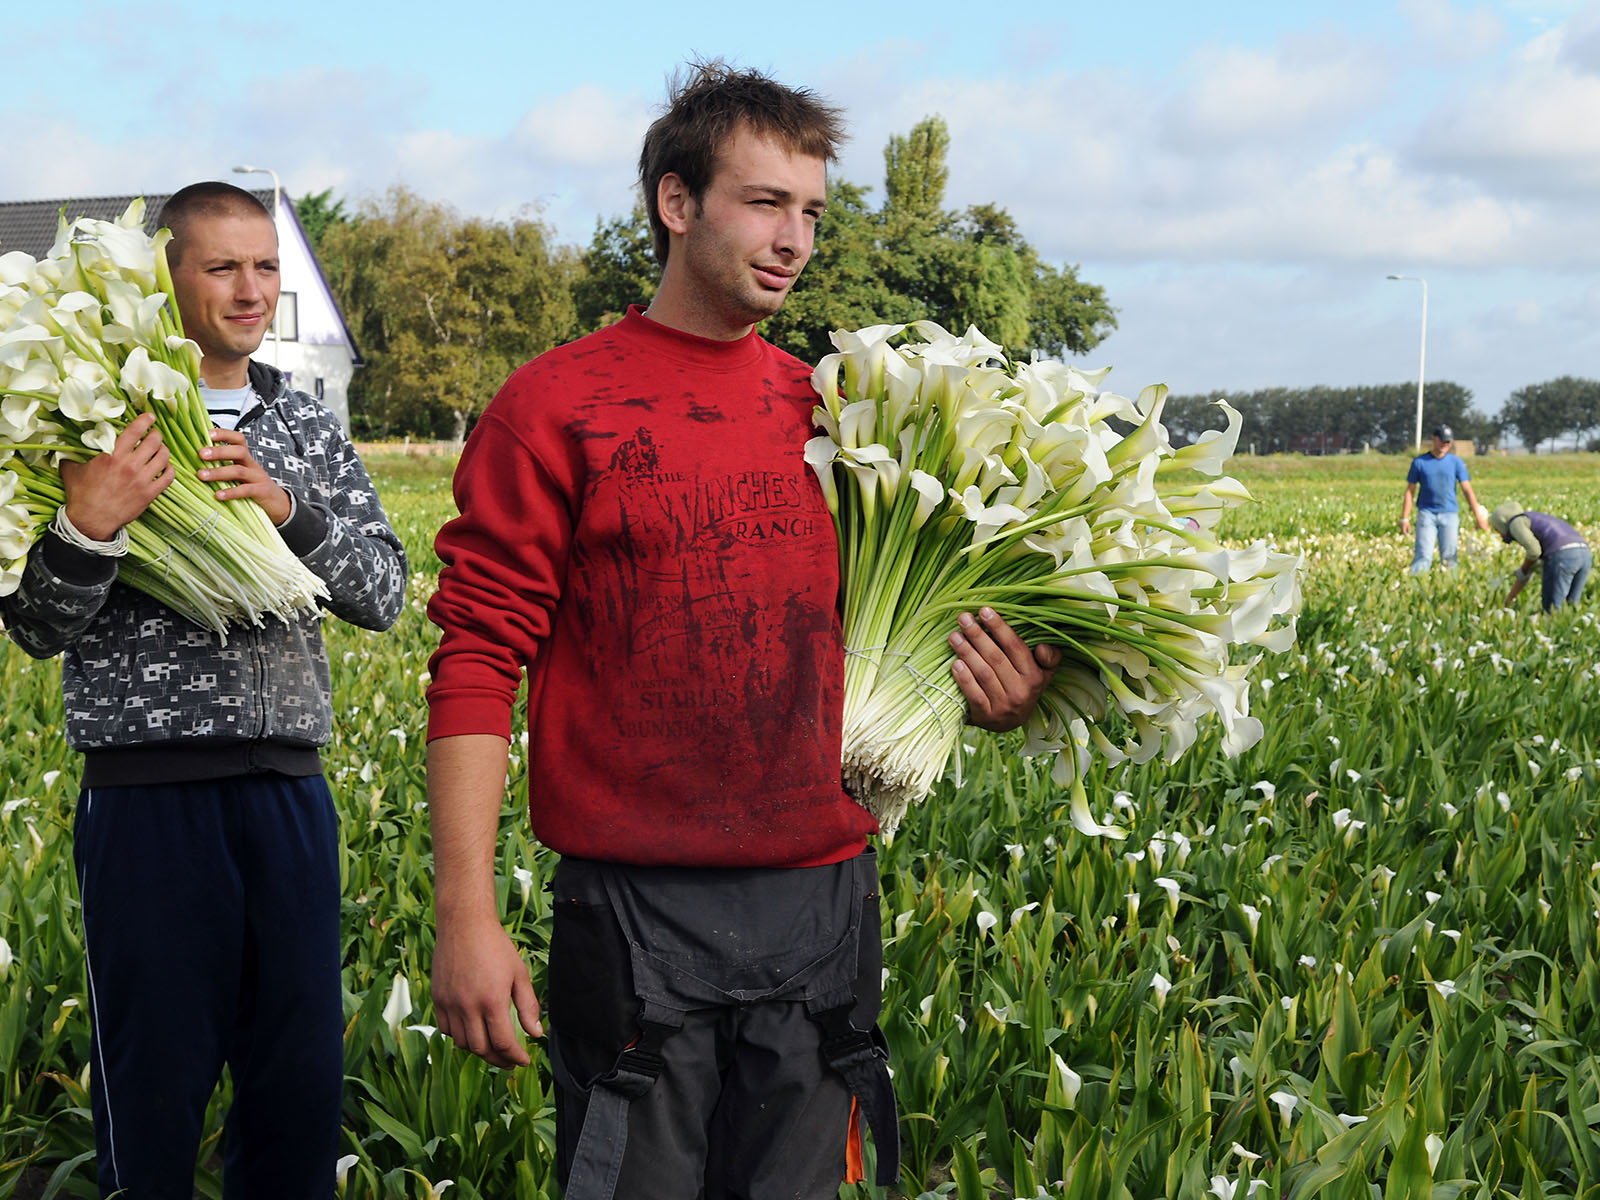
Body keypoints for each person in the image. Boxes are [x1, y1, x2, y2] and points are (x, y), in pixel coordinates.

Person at [424, 62, 1058, 1200]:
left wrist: (994, 696)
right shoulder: (556, 405)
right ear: (678, 203)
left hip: (824, 907)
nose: (796, 238)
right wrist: (464, 917)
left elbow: (903, 637)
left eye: (813, 211)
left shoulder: (850, 419)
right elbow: (476, 658)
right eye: (766, 203)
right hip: (632, 918)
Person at [0, 181, 407, 1198]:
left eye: (265, 266)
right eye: (221, 266)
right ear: (162, 279)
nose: (252, 289)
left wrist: (285, 509)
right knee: (154, 1092)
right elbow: (35, 629)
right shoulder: (91, 428)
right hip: (146, 801)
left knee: (299, 1088)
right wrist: (87, 524)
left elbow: (387, 593)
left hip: (287, 791)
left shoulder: (304, 429)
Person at [1399, 424, 1490, 573]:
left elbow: (1467, 490)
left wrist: (1478, 516)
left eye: (1448, 442)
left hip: (1450, 514)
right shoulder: (1419, 462)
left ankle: (1450, 588)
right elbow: (1410, 491)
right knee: (1423, 555)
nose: (1445, 445)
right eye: (1442, 440)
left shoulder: (1456, 462)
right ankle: (1416, 587)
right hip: (1426, 514)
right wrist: (1404, 518)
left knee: (1450, 558)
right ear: (1434, 440)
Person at [1488, 500, 1591, 612]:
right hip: (1584, 553)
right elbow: (1530, 566)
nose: (1500, 535)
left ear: (1502, 522)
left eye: (1497, 529)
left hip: (1562, 555)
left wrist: (1524, 569)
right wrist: (1509, 600)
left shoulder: (1516, 522)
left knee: (1552, 609)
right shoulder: (1534, 518)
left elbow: (1534, 551)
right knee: (1571, 606)